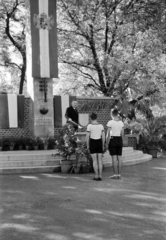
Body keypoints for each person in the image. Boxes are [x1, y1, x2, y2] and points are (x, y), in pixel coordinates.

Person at [86, 113, 105, 181]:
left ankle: (96, 176)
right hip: (99, 142)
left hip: (92, 142)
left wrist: (87, 145)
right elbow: (103, 136)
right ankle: (100, 175)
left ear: (90, 118)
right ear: (97, 118)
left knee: (94, 161)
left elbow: (87, 136)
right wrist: (103, 145)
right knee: (100, 161)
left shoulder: (89, 126)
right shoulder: (101, 126)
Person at [106, 108, 124, 179]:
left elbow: (108, 134)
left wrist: (106, 143)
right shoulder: (121, 123)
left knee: (114, 158)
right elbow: (122, 133)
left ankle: (115, 174)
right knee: (119, 158)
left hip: (113, 139)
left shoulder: (110, 122)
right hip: (119, 139)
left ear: (112, 114)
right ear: (117, 114)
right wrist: (121, 141)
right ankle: (119, 174)